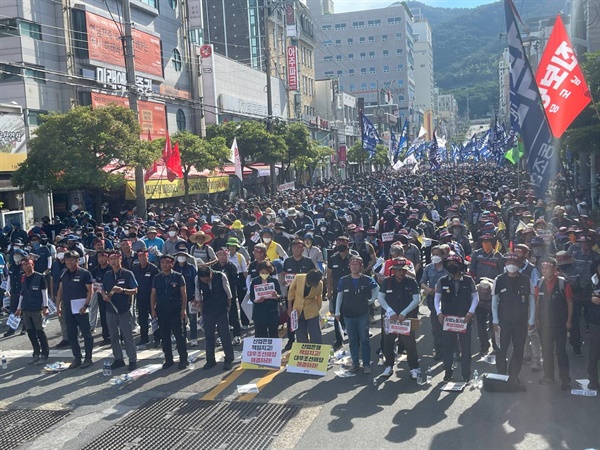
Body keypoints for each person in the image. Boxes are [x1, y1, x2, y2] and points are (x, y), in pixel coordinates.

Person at [434, 253, 479, 382]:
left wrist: (471, 312)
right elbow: (437, 298)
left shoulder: (468, 280)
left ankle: (466, 374)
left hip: (465, 318)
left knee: (466, 348)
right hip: (448, 319)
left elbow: (475, 297)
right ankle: (448, 372)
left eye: (454, 264)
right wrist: (438, 312)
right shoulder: (442, 280)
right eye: (449, 264)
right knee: (447, 347)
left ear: (459, 265)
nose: (451, 266)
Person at [492, 253, 535, 385]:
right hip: (503, 321)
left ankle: (513, 374)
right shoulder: (499, 279)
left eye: (515, 263)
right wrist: (495, 320)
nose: (512, 265)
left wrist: (531, 319)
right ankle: (501, 374)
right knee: (501, 349)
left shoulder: (526, 280)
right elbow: (494, 302)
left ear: (519, 265)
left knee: (519, 349)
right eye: (509, 262)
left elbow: (532, 300)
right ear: (505, 264)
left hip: (520, 322)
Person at [335, 256, 379, 374]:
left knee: (364, 340)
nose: (354, 267)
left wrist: (371, 300)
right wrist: (337, 311)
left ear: (361, 267)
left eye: (357, 265)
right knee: (353, 340)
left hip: (362, 314)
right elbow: (339, 296)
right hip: (348, 315)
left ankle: (366, 364)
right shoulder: (343, 280)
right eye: (352, 265)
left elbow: (377, 288)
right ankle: (355, 363)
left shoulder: (366, 279)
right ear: (349, 266)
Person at [378, 258, 420, 379]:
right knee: (388, 343)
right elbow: (381, 298)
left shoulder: (411, 281)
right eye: (399, 270)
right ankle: (389, 366)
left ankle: (414, 367)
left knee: (410, 344)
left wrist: (404, 312)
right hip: (390, 317)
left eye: (403, 270)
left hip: (406, 318)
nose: (401, 272)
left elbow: (416, 299)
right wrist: (389, 310)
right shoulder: (387, 282)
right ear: (394, 270)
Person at [536, 257, 573, 390]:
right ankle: (548, 376)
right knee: (546, 351)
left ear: (555, 269)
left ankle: (565, 379)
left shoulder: (563, 283)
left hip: (560, 324)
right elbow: (537, 302)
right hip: (544, 325)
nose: (545, 271)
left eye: (547, 268)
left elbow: (569, 302)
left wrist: (569, 320)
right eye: (543, 268)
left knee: (561, 352)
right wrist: (536, 319)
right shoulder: (539, 283)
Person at [100, 250, 138, 371]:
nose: (113, 261)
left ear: (120, 259)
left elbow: (135, 290)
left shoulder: (127, 274)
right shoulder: (107, 275)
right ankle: (118, 359)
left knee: (127, 335)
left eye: (116, 258)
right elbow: (102, 289)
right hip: (110, 309)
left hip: (123, 309)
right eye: (111, 259)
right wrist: (103, 295)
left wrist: (122, 290)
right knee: (113, 335)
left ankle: (132, 359)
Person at [56, 251, 94, 369]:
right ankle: (77, 357)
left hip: (81, 307)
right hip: (68, 308)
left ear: (77, 260)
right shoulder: (63, 273)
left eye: (71, 260)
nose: (69, 262)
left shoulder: (85, 273)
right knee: (72, 335)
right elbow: (60, 290)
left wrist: (86, 306)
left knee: (86, 334)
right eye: (67, 260)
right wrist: (58, 306)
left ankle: (88, 358)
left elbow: (90, 291)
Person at [151, 254, 188, 369]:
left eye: (167, 262)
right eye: (162, 262)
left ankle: (183, 360)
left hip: (175, 310)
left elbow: (183, 294)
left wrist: (184, 309)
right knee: (165, 336)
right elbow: (153, 294)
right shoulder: (157, 278)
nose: (164, 265)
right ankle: (168, 359)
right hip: (162, 310)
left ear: (172, 264)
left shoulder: (178, 277)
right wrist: (153, 309)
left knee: (179, 336)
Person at [195, 266, 234, 371]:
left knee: (224, 334)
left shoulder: (221, 276)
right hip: (208, 310)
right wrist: (201, 313)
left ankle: (229, 359)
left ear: (211, 274)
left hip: (221, 308)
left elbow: (229, 295)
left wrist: (227, 308)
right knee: (209, 336)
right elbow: (198, 297)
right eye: (204, 281)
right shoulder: (197, 279)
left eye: (207, 280)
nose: (206, 282)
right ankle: (210, 360)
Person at [15, 257, 50, 365]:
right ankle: (36, 352)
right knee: (30, 332)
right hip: (26, 308)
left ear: (32, 265)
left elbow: (44, 292)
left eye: (27, 264)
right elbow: (22, 293)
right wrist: (19, 308)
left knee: (39, 331)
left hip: (36, 308)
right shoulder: (23, 277)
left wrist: (45, 306)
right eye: (23, 265)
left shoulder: (39, 277)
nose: (25, 266)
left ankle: (45, 353)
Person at [327, 236, 358, 349]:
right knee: (337, 316)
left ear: (348, 243)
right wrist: (329, 291)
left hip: (352, 292)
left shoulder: (354, 258)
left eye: (343, 242)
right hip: (337, 291)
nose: (340, 243)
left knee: (353, 315)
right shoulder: (332, 258)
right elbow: (328, 276)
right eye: (338, 241)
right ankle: (339, 339)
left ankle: (355, 338)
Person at [420, 245, 448, 361]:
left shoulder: (448, 268)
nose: (435, 257)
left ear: (443, 256)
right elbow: (422, 282)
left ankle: (452, 350)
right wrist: (428, 289)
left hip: (447, 300)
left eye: (438, 254)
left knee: (448, 326)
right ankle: (438, 350)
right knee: (436, 327)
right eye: (434, 254)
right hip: (432, 300)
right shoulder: (428, 268)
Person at [214, 246, 242, 346]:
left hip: (230, 294)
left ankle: (237, 335)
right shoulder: (214, 267)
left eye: (224, 255)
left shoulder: (232, 266)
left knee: (233, 314)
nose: (222, 257)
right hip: (218, 296)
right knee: (220, 317)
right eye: (220, 255)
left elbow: (235, 281)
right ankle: (221, 336)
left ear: (227, 256)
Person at [287, 269, 324, 344]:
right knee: (300, 335)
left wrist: (318, 308)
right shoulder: (298, 277)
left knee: (315, 334)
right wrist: (289, 308)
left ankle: (317, 352)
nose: (315, 285)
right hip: (297, 310)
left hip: (312, 310)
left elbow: (319, 297)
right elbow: (291, 292)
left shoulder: (320, 284)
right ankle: (303, 352)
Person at [132, 249, 160, 348]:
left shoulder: (153, 269)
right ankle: (144, 338)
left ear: (147, 257)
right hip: (140, 298)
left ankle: (157, 338)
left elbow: (157, 284)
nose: (142, 258)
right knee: (142, 319)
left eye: (144, 256)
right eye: (140, 256)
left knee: (155, 318)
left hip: (152, 298)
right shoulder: (135, 268)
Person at [249, 260, 282, 338]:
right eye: (262, 272)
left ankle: (274, 350)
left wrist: (276, 295)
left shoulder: (274, 281)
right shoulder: (255, 281)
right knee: (260, 335)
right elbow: (251, 296)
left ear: (270, 272)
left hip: (272, 312)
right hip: (259, 312)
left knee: (273, 334)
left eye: (266, 272)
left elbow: (280, 295)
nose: (264, 274)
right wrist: (255, 300)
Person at [173, 248, 198, 346]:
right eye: (179, 255)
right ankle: (182, 337)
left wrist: (197, 296)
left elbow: (196, 283)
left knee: (192, 318)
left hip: (191, 297)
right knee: (180, 319)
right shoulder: (174, 268)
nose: (181, 257)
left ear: (187, 257)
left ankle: (193, 338)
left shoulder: (192, 268)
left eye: (183, 255)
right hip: (177, 298)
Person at [90, 249, 112, 344]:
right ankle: (106, 337)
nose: (101, 259)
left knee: (113, 317)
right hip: (100, 296)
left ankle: (117, 336)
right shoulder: (96, 270)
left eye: (103, 256)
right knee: (103, 317)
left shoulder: (111, 268)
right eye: (99, 256)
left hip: (112, 296)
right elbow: (94, 283)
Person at [588, 260, 600, 391]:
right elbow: (584, 295)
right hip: (595, 321)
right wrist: (591, 299)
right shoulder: (593, 281)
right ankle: (593, 380)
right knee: (594, 353)